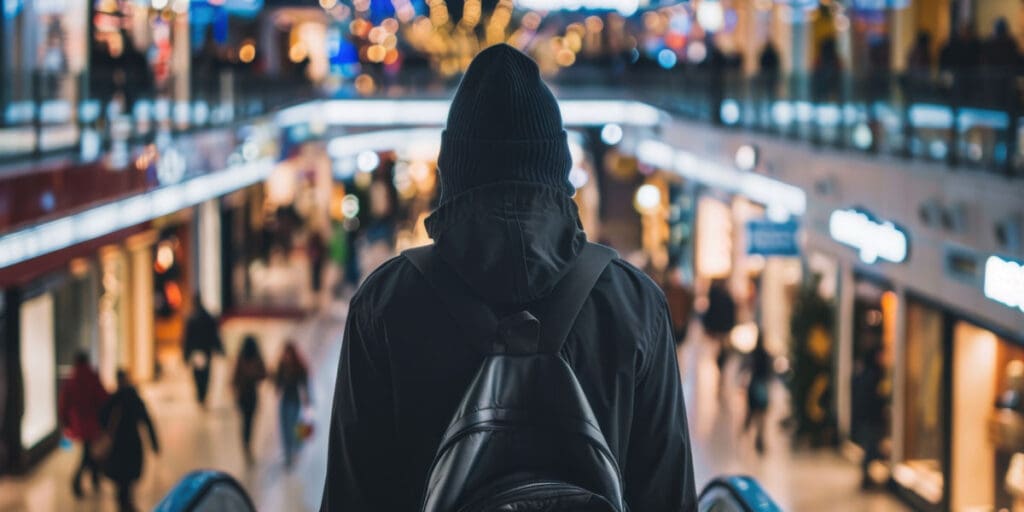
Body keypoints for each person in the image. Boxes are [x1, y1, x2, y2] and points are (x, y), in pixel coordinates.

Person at [321, 44, 696, 511]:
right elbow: (668, 495)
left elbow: (352, 496)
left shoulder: (385, 304)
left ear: (451, 172)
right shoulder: (634, 303)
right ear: (559, 169)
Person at [100, 370, 159, 512]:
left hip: (117, 445)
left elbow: (102, 417)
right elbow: (147, 420)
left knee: (121, 479)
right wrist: (154, 443)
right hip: (132, 443)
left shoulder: (114, 399)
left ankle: (123, 503)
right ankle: (126, 504)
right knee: (128, 478)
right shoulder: (134, 398)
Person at [58, 352, 109, 497]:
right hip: (92, 422)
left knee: (88, 451)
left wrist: (66, 422)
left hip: (78, 423)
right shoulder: (92, 377)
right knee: (88, 454)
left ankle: (94, 479)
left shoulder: (71, 380)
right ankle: (77, 481)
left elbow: (63, 404)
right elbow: (103, 398)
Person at [182, 294, 224, 407]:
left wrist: (185, 355)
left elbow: (187, 339)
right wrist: (219, 349)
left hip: (196, 351)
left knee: (197, 375)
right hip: (206, 351)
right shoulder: (208, 317)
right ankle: (202, 395)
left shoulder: (191, 319)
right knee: (205, 375)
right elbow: (214, 335)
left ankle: (200, 395)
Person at [275, 341, 309, 468]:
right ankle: (288, 455)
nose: (286, 356)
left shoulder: (298, 367)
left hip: (294, 400)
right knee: (285, 429)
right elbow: (277, 382)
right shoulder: (281, 366)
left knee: (293, 427)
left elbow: (304, 383)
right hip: (284, 401)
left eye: (288, 353)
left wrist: (306, 398)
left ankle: (296, 448)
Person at [232, 335, 266, 463]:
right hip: (249, 395)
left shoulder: (242, 359)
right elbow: (263, 374)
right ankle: (247, 444)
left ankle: (246, 444)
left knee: (246, 422)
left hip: (245, 395)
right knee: (248, 422)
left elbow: (234, 379)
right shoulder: (254, 359)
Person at [742, 335, 773, 455]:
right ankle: (759, 440)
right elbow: (769, 372)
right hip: (761, 386)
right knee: (761, 417)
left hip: (754, 385)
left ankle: (745, 437)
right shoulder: (765, 355)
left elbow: (746, 367)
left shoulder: (753, 354)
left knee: (751, 415)